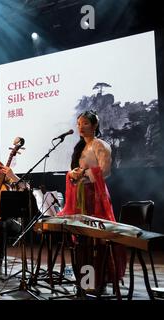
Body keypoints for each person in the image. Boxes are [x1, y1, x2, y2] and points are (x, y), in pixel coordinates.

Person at [58, 110, 126, 292]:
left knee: (97, 238)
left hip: (95, 196)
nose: (81, 127)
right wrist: (73, 173)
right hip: (80, 196)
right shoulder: (80, 148)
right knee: (82, 238)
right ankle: (85, 279)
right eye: (79, 123)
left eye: (85, 123)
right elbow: (76, 171)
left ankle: (100, 279)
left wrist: (84, 173)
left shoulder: (100, 145)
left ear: (95, 125)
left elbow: (105, 171)